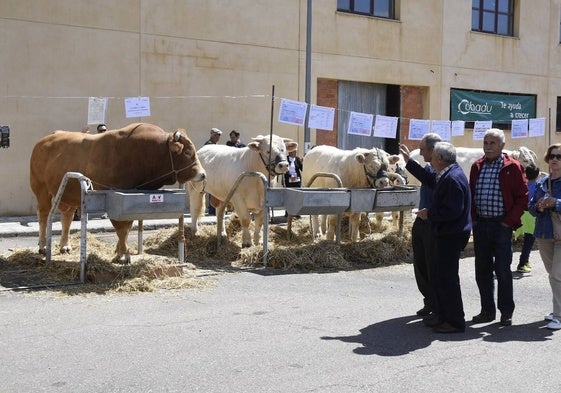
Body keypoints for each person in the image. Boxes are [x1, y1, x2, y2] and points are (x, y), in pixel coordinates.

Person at [469, 128, 528, 327]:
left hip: (502, 225)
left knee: (503, 270)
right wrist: (474, 220)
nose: (488, 147)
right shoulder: (477, 166)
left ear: (502, 146)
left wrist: (508, 222)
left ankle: (506, 312)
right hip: (481, 225)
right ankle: (487, 311)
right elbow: (471, 195)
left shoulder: (513, 167)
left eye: (492, 143)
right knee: (482, 270)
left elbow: (523, 197)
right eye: (485, 143)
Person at [415, 141, 472, 333]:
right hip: (447, 233)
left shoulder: (452, 178)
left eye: (432, 156)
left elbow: (453, 211)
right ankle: (442, 315)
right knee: (440, 276)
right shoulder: (447, 174)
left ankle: (455, 321)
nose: (429, 158)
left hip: (451, 234)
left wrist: (429, 214)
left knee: (448, 279)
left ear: (439, 158)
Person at [399, 133, 442, 318]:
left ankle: (437, 303)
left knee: (432, 265)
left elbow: (427, 179)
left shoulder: (440, 170)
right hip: (421, 221)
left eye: (423, 149)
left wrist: (409, 161)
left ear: (433, 150)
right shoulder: (429, 166)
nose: (421, 152)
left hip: (433, 221)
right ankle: (429, 301)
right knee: (421, 264)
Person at [529, 144, 561, 330]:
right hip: (544, 233)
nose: (555, 159)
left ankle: (558, 315)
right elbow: (531, 206)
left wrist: (555, 202)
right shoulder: (542, 182)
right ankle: (557, 309)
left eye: (559, 156)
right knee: (553, 275)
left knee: (557, 276)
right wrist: (539, 206)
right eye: (552, 156)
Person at [515, 164, 540, 273]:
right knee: (529, 241)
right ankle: (522, 263)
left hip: (521, 214)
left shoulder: (522, 184)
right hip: (532, 216)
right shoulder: (538, 186)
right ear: (538, 175)